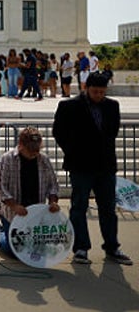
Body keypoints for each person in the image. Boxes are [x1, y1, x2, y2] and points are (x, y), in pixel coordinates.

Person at [52, 72, 132, 265]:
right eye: (95, 91)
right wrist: (73, 151)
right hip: (80, 166)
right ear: (86, 88)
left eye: (102, 92)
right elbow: (58, 132)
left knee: (108, 209)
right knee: (79, 207)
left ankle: (112, 246)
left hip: (105, 166)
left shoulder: (112, 106)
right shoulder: (69, 106)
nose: (98, 95)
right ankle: (81, 248)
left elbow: (112, 132)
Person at [0, 127, 60, 254]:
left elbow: (53, 184)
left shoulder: (44, 160)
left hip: (36, 212)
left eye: (37, 149)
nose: (34, 153)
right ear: (20, 145)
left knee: (37, 248)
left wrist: (53, 201)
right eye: (30, 150)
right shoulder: (7, 159)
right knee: (15, 249)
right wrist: (15, 206)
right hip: (12, 213)